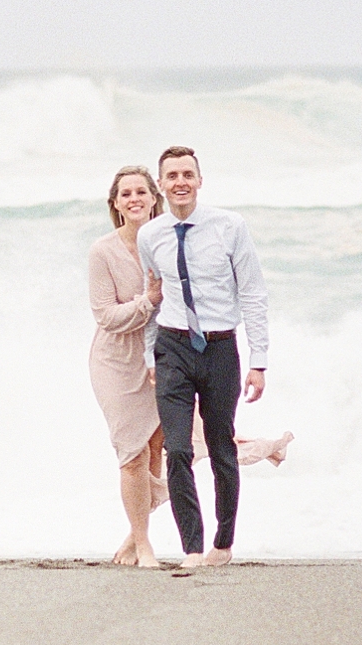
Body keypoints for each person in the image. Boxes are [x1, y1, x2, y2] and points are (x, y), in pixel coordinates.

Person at [90, 164, 292, 569]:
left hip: (177, 352)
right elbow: (108, 315)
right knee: (143, 453)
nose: (134, 200)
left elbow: (236, 290)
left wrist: (256, 356)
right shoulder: (111, 249)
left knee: (179, 447)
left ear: (155, 195)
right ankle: (152, 545)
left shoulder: (168, 235)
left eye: (141, 193)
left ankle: (140, 536)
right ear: (115, 203)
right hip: (122, 360)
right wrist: (148, 304)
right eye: (125, 194)